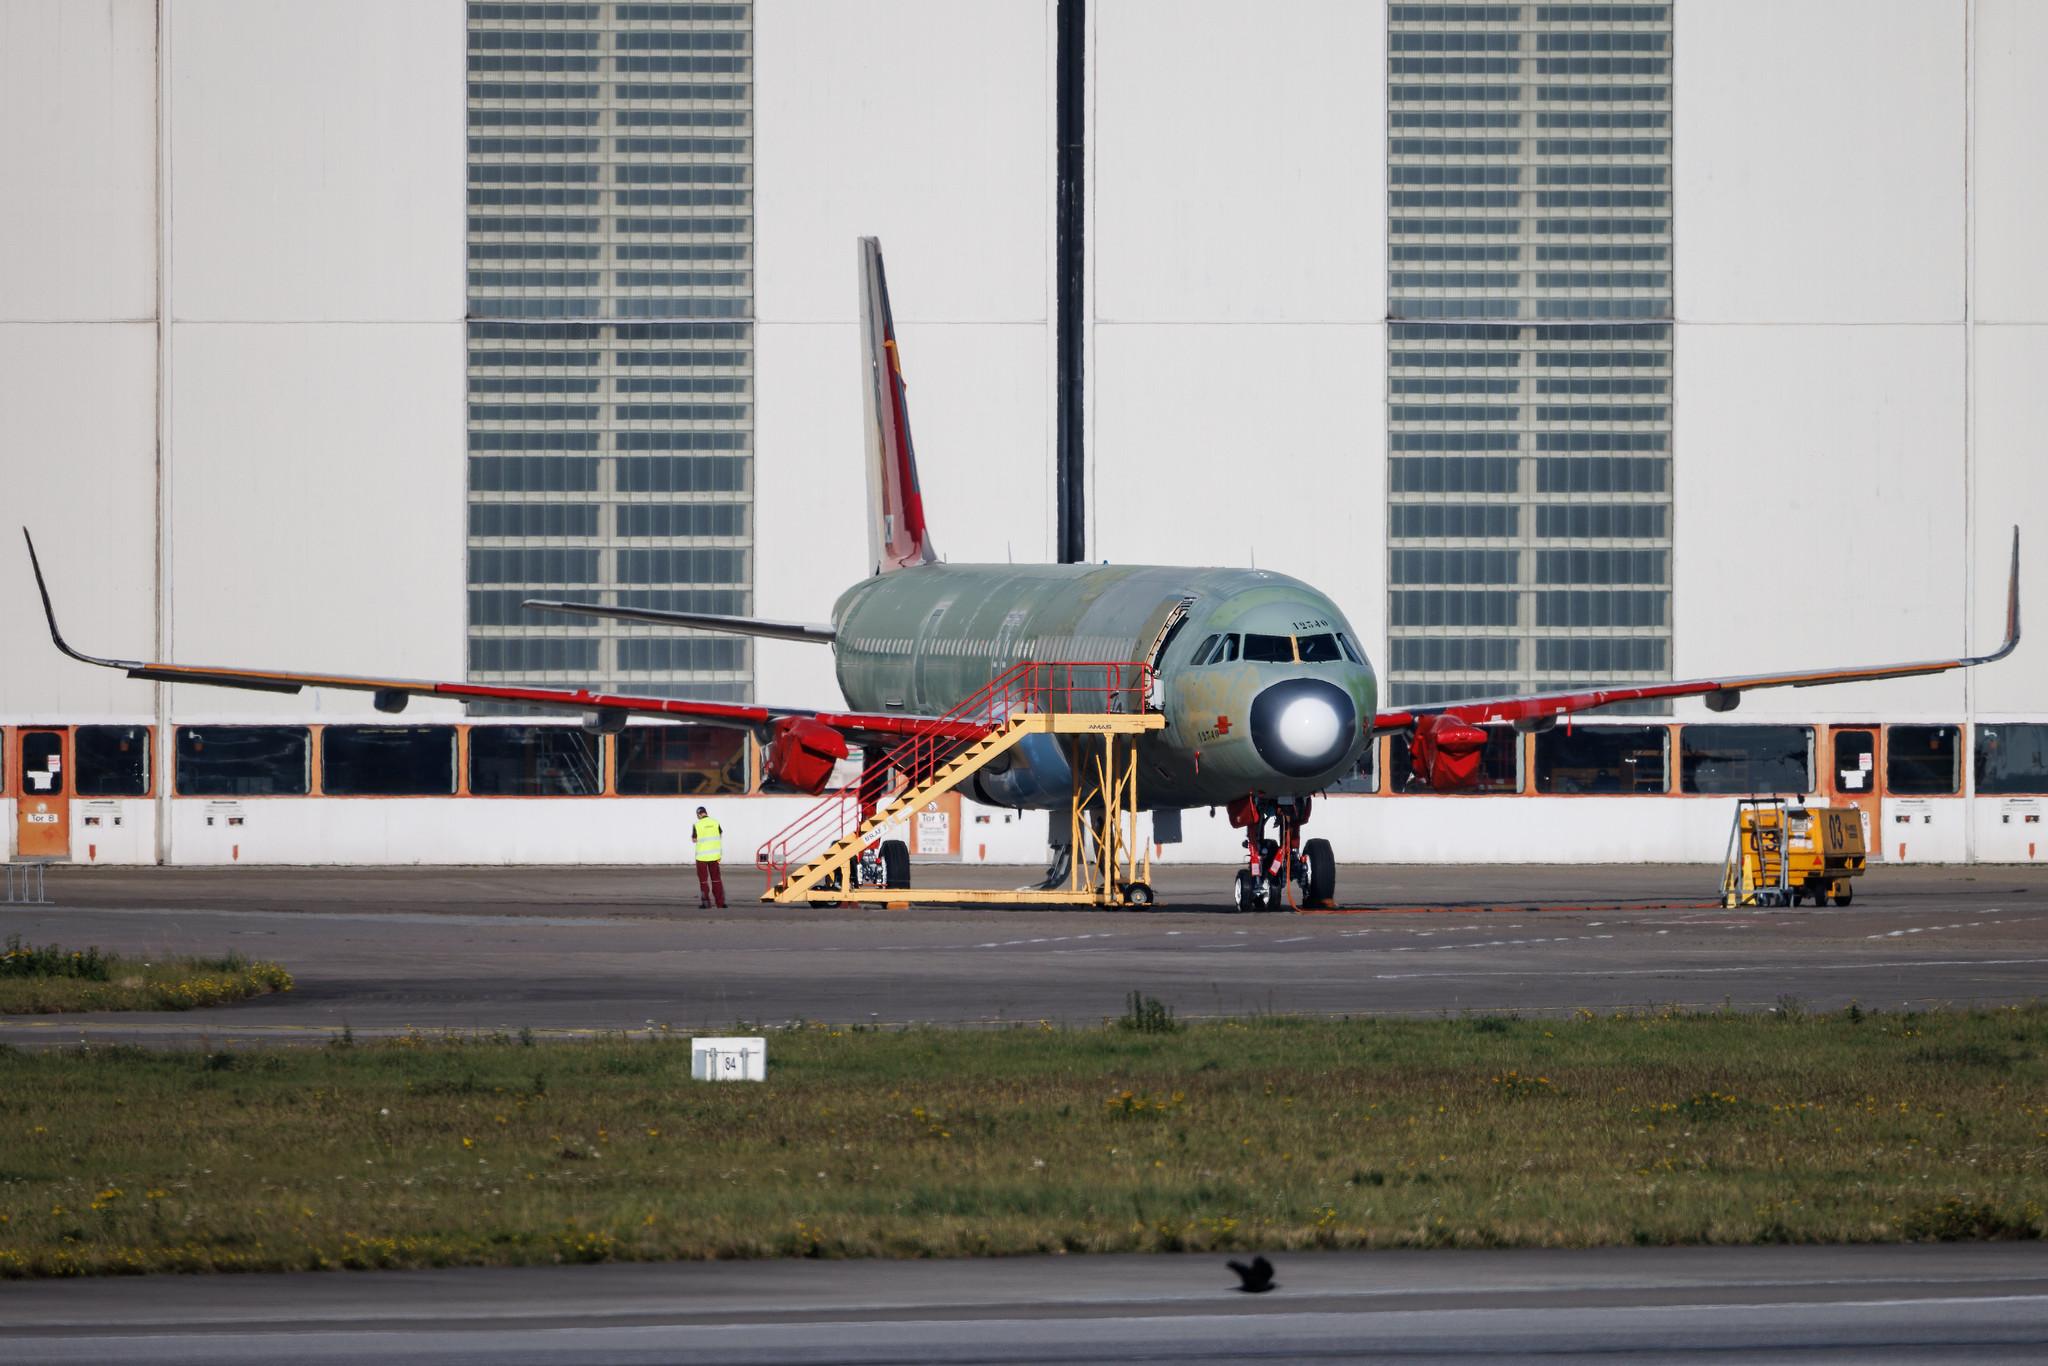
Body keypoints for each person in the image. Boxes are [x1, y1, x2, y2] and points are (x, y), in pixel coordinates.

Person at [692, 805, 726, 909]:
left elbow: (694, 839)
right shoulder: (715, 822)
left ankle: (706, 903)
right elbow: (720, 835)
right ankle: (720, 903)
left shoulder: (697, 825)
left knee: (703, 881)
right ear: (706, 813)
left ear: (698, 814)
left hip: (701, 857)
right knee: (716, 880)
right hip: (714, 856)